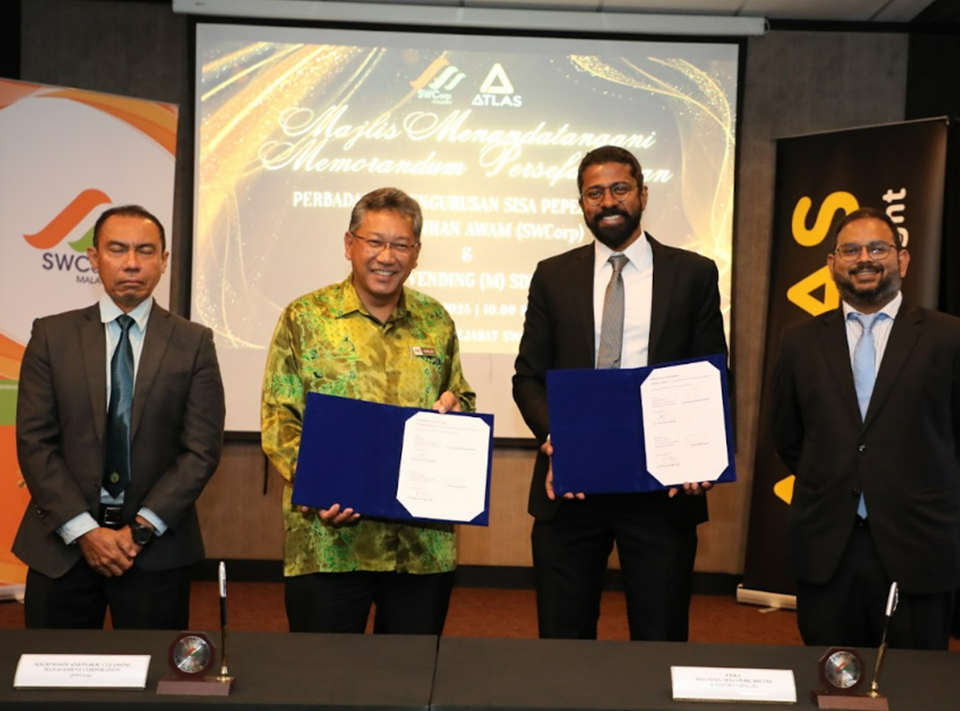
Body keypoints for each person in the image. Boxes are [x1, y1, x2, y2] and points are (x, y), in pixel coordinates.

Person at [512, 146, 728, 641]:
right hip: (570, 484)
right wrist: (556, 437)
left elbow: (708, 376)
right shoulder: (553, 274)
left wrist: (700, 455)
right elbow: (528, 378)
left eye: (620, 189)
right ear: (582, 203)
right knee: (563, 639)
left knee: (659, 636)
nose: (608, 201)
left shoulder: (692, 273)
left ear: (643, 195)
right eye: (594, 193)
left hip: (661, 489)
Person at [261, 187, 475, 635]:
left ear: (416, 254)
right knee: (325, 686)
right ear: (349, 244)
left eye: (401, 245)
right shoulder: (305, 317)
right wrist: (319, 486)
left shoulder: (436, 320)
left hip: (421, 549)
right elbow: (279, 419)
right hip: (330, 544)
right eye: (375, 241)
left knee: (411, 685)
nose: (387, 256)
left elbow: (462, 398)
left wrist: (458, 411)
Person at [14, 204, 225, 630]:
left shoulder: (194, 343)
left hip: (154, 553)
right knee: (51, 686)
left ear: (164, 261)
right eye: (117, 249)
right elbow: (35, 443)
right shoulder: (51, 336)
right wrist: (85, 532)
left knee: (155, 687)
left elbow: (200, 451)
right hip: (62, 549)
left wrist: (140, 531)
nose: (131, 263)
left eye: (146, 251)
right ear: (94, 258)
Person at [772, 206, 960, 650]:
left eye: (878, 248)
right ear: (831, 264)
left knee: (917, 686)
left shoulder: (949, 338)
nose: (864, 259)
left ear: (903, 259)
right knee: (829, 677)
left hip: (918, 542)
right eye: (850, 250)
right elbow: (786, 436)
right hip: (827, 544)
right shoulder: (798, 341)